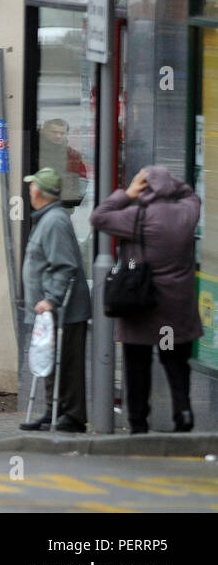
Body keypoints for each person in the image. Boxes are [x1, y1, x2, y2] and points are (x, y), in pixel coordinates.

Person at [91, 166, 202, 433]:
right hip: (175, 308)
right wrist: (165, 181)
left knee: (137, 365)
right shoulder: (188, 212)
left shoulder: (136, 216)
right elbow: (191, 194)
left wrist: (127, 193)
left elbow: (99, 217)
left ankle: (138, 423)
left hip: (141, 305)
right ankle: (183, 414)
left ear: (144, 187)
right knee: (175, 363)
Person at [19, 166, 91, 433]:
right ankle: (54, 411)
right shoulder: (47, 218)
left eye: (31, 185)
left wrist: (51, 299)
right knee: (50, 359)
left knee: (68, 362)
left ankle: (72, 416)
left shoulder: (55, 221)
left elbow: (65, 265)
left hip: (65, 310)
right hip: (49, 311)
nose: (29, 189)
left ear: (39, 191)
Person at [38, 118, 89, 207]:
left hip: (64, 205)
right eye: (54, 132)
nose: (58, 136)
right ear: (44, 132)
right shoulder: (35, 152)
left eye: (62, 133)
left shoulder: (73, 156)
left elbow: (81, 183)